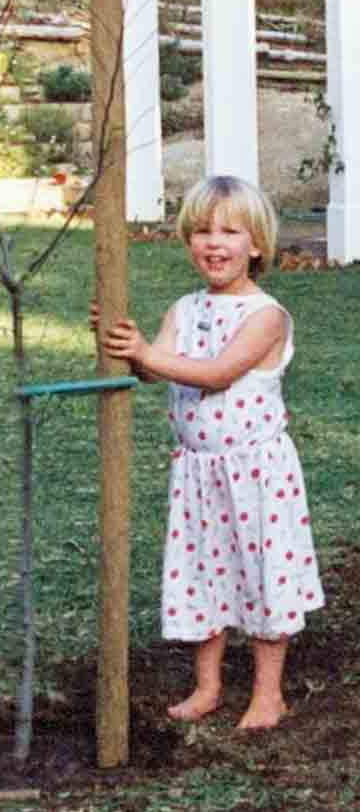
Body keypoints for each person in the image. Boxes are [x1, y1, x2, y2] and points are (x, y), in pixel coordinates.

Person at [91, 175, 324, 729]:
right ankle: (208, 686)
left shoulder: (267, 315)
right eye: (200, 231)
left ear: (257, 244)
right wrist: (126, 346)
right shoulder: (184, 307)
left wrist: (148, 352)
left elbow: (218, 374)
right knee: (203, 571)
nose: (213, 243)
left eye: (229, 231)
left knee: (262, 573)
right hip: (198, 471)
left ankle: (269, 694)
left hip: (256, 473)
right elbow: (155, 370)